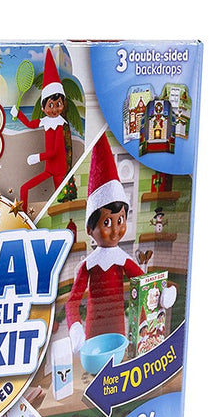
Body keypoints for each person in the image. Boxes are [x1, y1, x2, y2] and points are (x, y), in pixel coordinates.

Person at [66, 134, 142, 351]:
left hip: (117, 329)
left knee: (116, 361)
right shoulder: (88, 265)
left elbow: (144, 284)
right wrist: (75, 328)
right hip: (93, 331)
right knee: (95, 364)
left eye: (121, 220)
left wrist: (161, 293)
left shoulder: (123, 260)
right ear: (90, 229)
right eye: (107, 222)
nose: (116, 230)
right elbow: (72, 301)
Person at [10, 49, 70, 212]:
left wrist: (37, 157)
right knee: (24, 188)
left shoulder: (58, 125)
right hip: (49, 169)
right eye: (51, 105)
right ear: (43, 108)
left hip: (58, 170)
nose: (55, 109)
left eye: (58, 104)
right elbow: (30, 124)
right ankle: (23, 216)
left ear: (63, 104)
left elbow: (54, 151)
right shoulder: (46, 122)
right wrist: (18, 114)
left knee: (62, 200)